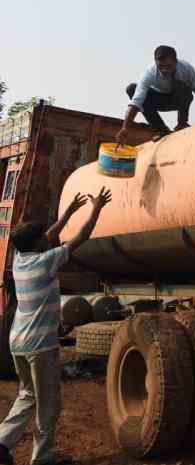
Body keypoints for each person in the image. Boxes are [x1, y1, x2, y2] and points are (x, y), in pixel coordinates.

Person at [0, 187, 112, 465]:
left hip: (19, 343)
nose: (47, 239)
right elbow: (81, 238)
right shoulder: (46, 262)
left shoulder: (21, 261)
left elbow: (49, 236)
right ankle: (42, 459)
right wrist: (96, 208)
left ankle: (1, 443)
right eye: (42, 238)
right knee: (48, 405)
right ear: (37, 244)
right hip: (40, 347)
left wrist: (69, 212)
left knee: (27, 395)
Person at [115, 45, 195, 144]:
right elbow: (136, 102)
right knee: (132, 88)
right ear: (156, 62)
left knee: (183, 88)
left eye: (168, 66)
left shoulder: (187, 69)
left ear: (176, 61)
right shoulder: (149, 74)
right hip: (158, 100)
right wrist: (125, 128)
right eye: (160, 66)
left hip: (177, 99)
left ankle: (182, 123)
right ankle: (161, 130)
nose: (164, 70)